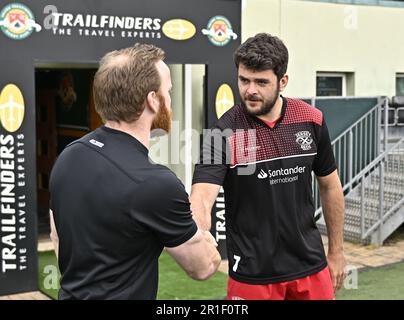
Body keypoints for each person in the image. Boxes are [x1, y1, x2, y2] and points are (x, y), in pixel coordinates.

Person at [49, 43, 221, 300]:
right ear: (153, 99)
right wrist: (204, 234)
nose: (170, 100)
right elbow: (203, 267)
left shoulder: (69, 156)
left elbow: (57, 239)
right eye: (168, 91)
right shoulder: (155, 183)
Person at [190, 33, 346, 300]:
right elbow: (202, 197)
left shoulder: (311, 120)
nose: (251, 90)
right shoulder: (224, 132)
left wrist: (337, 251)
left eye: (261, 82)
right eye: (244, 80)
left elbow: (330, 186)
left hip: (310, 265)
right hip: (252, 274)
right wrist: (199, 232)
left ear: (282, 81)